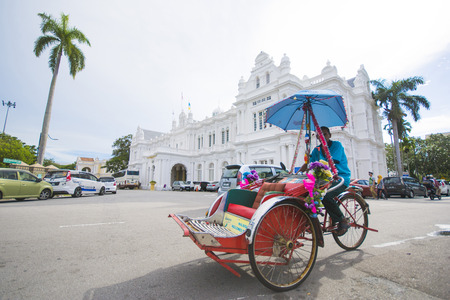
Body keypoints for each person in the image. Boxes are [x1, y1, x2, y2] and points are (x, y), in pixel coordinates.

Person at [300, 126, 351, 236]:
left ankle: (342, 220)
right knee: (304, 193)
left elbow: (331, 161)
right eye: (320, 135)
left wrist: (315, 163)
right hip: (323, 180)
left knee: (325, 195)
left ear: (329, 135)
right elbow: (308, 165)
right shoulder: (316, 150)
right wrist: (297, 171)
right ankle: (309, 221)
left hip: (340, 178)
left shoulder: (337, 145)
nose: (322, 136)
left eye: (325, 134)